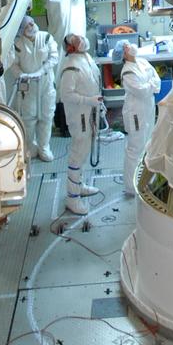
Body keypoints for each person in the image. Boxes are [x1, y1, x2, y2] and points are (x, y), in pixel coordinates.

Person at [58, 34, 102, 215]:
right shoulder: (70, 68)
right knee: (77, 154)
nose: (82, 40)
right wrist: (88, 100)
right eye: (76, 40)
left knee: (84, 152)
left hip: (91, 111)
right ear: (70, 48)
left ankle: (80, 185)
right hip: (80, 115)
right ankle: (72, 198)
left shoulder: (86, 58)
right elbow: (65, 95)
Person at [10, 17, 58, 161]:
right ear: (21, 30)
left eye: (32, 22)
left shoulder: (46, 37)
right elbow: (13, 64)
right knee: (28, 118)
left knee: (46, 116)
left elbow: (54, 57)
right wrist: (21, 75)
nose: (31, 25)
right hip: (28, 87)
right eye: (27, 25)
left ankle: (44, 147)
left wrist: (42, 71)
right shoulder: (17, 44)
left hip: (46, 84)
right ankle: (31, 147)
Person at [120, 42, 161, 193]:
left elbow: (157, 80)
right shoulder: (127, 72)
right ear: (123, 54)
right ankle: (131, 186)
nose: (129, 46)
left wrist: (150, 84)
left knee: (148, 142)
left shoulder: (142, 61)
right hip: (135, 112)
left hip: (148, 107)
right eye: (125, 47)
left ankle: (144, 178)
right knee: (135, 147)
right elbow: (141, 91)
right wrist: (151, 85)